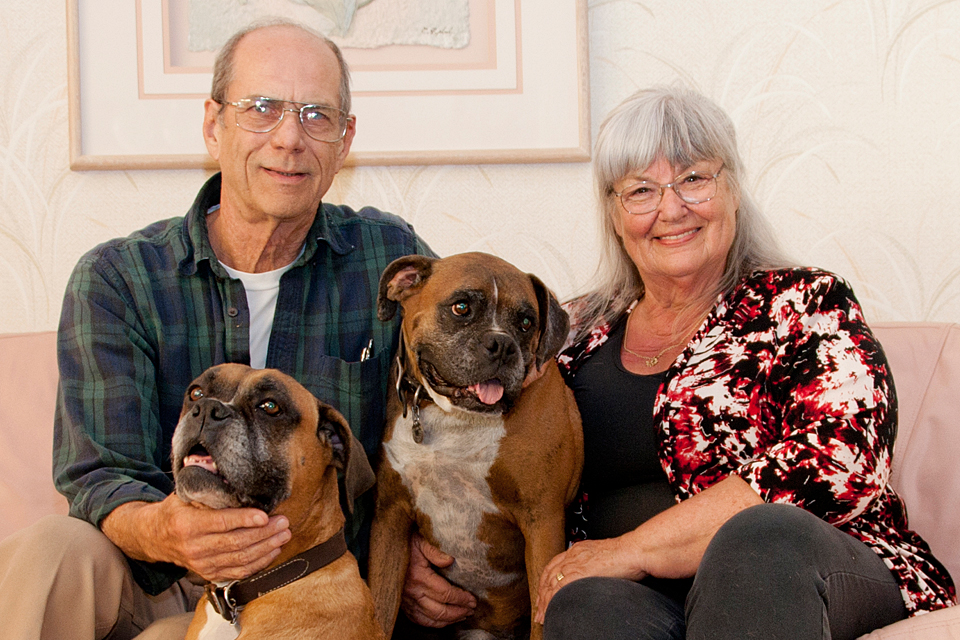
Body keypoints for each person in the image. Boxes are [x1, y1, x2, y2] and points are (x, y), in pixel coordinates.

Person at [0, 20, 449, 640]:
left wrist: (428, 545)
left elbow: (457, 405)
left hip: (309, 583)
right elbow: (98, 474)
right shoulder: (119, 278)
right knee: (51, 549)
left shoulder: (386, 260)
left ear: (344, 140)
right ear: (214, 125)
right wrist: (167, 530)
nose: (290, 138)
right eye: (261, 109)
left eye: (316, 115)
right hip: (157, 570)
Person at [526, 85, 957, 639]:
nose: (671, 208)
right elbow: (499, 450)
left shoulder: (804, 302)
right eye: (640, 190)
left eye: (693, 179)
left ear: (732, 189)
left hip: (807, 570)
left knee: (758, 538)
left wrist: (631, 550)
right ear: (613, 212)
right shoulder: (574, 333)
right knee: (584, 604)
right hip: (651, 602)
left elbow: (839, 460)